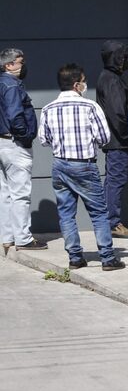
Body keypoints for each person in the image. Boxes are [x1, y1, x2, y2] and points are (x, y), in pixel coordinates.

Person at [38, 64, 125, 271]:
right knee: (98, 212)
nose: (86, 84)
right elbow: (104, 137)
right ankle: (107, 257)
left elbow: (44, 139)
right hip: (84, 164)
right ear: (77, 84)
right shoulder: (90, 107)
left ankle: (75, 257)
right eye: (84, 81)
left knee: (66, 212)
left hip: (60, 164)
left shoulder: (48, 109)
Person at [0, 47, 46, 253]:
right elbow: (15, 115)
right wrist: (25, 137)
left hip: (3, 143)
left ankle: (7, 237)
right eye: (20, 62)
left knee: (5, 194)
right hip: (13, 144)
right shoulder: (11, 85)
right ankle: (23, 238)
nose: (23, 65)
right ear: (8, 65)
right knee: (20, 193)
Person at [96, 40, 128, 238]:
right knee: (116, 180)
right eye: (124, 56)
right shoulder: (111, 80)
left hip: (116, 140)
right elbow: (118, 114)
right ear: (117, 58)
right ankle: (113, 223)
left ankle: (110, 222)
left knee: (113, 181)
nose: (126, 60)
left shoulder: (110, 78)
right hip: (118, 142)